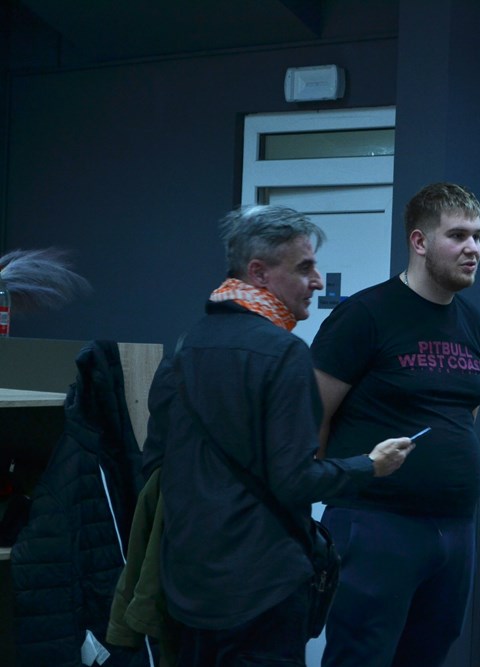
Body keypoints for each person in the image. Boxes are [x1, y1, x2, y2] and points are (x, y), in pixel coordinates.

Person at [144, 204, 415, 666]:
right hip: (262, 586)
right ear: (259, 273)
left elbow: (154, 463)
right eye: (304, 267)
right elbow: (296, 480)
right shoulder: (284, 352)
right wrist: (370, 466)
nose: (317, 281)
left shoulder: (188, 345)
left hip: (189, 586)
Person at [311, 182, 480, 667]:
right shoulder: (365, 315)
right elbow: (313, 419)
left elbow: (464, 414)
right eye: (457, 235)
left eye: (477, 236)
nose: (473, 249)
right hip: (375, 524)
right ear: (419, 241)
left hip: (454, 527)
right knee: (362, 658)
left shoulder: (470, 323)